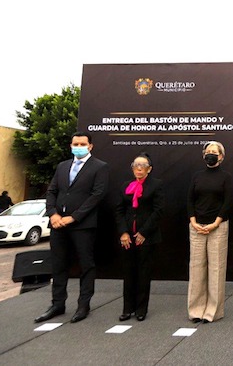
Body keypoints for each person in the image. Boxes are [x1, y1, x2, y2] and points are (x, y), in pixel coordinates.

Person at [34, 131, 109, 324]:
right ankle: (57, 304)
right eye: (75, 143)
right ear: (71, 145)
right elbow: (51, 191)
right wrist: (53, 214)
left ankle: (83, 305)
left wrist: (73, 217)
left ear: (90, 146)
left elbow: (97, 195)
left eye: (83, 144)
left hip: (82, 225)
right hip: (58, 225)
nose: (79, 146)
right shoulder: (62, 166)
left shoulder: (100, 167)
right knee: (58, 264)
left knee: (86, 265)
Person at [186, 141, 233, 323]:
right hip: (197, 227)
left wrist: (215, 223)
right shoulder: (197, 176)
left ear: (221, 157)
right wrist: (193, 221)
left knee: (216, 269)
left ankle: (212, 311)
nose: (211, 154)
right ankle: (196, 310)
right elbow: (190, 200)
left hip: (218, 227)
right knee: (196, 268)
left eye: (214, 152)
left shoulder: (226, 177)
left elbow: (228, 201)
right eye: (208, 152)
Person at [114, 152, 165, 322]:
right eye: (136, 165)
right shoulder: (125, 185)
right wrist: (123, 232)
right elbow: (119, 210)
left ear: (149, 169)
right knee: (128, 273)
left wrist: (143, 232)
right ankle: (127, 309)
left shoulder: (156, 185)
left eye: (143, 166)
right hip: (127, 237)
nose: (139, 168)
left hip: (147, 237)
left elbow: (158, 211)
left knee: (144, 273)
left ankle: (141, 309)